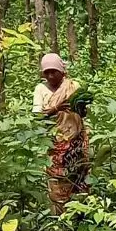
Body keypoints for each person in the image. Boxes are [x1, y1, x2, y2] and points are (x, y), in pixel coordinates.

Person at [32, 53, 90, 214]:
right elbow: (37, 117)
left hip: (75, 141)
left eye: (54, 72)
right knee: (57, 179)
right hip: (55, 143)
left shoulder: (73, 86)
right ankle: (60, 216)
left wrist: (78, 107)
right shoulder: (40, 89)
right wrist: (56, 108)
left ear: (62, 71)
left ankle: (80, 214)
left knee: (78, 175)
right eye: (47, 72)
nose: (50, 75)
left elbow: (83, 113)